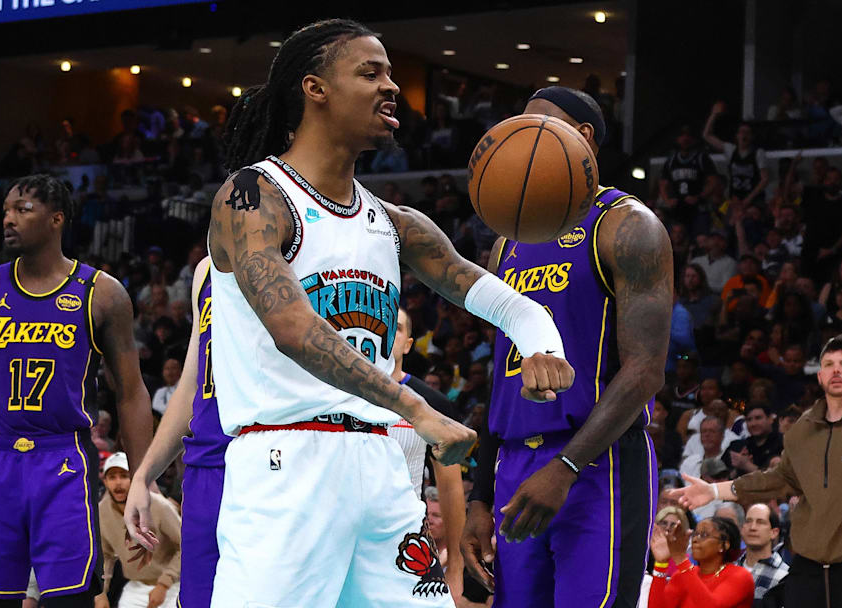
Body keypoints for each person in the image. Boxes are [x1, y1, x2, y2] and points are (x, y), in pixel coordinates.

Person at [207, 19, 571, 607]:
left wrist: (542, 344)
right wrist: (416, 408)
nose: (391, 86)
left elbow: (505, 301)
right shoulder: (253, 195)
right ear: (314, 88)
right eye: (369, 72)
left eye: (391, 74)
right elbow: (293, 328)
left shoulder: (395, 223)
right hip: (287, 466)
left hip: (382, 470)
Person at [461, 86, 672, 608]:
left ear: (582, 138)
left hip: (596, 463)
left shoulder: (628, 226)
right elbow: (499, 380)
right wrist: (480, 496)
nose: (521, 137)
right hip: (514, 462)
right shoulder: (505, 243)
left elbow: (646, 372)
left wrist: (568, 468)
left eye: (539, 128)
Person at [0, 174, 154, 606]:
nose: (8, 218)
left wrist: (144, 481)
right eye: (6, 210)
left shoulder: (102, 293)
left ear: (56, 219)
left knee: (69, 599)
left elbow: (132, 394)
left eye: (23, 210)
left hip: (63, 458)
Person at [670, 333, 842, 608]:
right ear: (820, 376)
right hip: (808, 568)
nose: (836, 370)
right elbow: (779, 479)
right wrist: (714, 490)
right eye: (829, 364)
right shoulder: (802, 429)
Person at [125, 258, 229, 608]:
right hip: (204, 469)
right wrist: (143, 476)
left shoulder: (303, 243)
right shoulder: (205, 269)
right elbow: (191, 385)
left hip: (270, 461)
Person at [385, 308, 468, 601]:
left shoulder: (432, 403)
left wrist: (456, 568)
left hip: (405, 537)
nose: (387, 330)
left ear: (408, 344)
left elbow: (451, 487)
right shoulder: (337, 394)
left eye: (397, 327)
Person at [97, 452, 180, 608]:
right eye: (112, 477)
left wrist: (164, 584)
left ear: (134, 479)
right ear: (105, 482)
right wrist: (101, 593)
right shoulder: (102, 511)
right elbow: (105, 555)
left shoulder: (158, 505)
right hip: (135, 587)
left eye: (123, 476)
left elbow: (186, 546)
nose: (118, 483)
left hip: (173, 586)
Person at [648, 516, 754, 608]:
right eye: (695, 534)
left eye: (704, 535)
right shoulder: (681, 575)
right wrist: (660, 565)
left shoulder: (740, 576)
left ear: (724, 545)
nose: (695, 540)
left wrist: (681, 560)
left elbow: (711, 606)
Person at [702, 102, 769, 206]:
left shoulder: (758, 153)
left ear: (752, 137)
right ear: (737, 136)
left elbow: (765, 179)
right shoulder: (731, 150)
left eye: (747, 133)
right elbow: (707, 135)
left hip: (753, 200)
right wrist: (714, 114)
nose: (744, 135)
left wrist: (748, 199)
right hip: (735, 199)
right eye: (742, 132)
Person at [737, 503, 789, 601]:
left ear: (774, 532)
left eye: (760, 522)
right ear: (742, 529)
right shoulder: (729, 568)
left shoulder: (784, 576)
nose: (752, 527)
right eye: (748, 521)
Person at [721, 404, 782, 478]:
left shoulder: (782, 443)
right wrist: (737, 468)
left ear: (770, 419)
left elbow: (777, 478)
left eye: (758, 418)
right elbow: (723, 478)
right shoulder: (739, 446)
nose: (753, 424)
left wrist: (747, 466)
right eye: (749, 420)